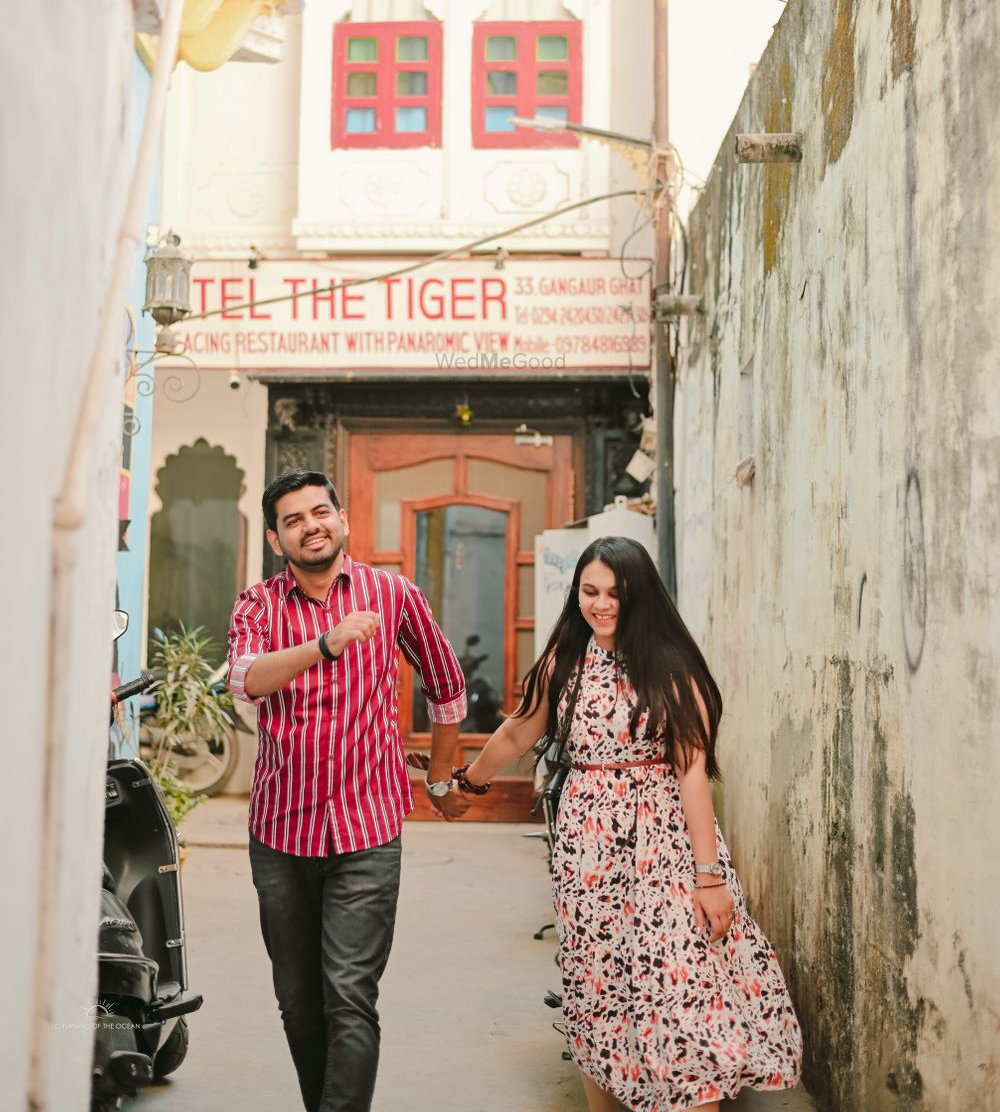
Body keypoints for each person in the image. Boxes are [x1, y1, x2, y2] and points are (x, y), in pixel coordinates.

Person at [454, 536, 803, 1112]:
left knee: (680, 982)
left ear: (639, 596)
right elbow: (519, 731)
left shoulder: (672, 667)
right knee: (599, 981)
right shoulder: (563, 659)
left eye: (615, 593)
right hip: (587, 848)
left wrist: (708, 875)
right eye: (589, 592)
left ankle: (694, 1096)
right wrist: (470, 781)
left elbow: (692, 773)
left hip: (663, 842)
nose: (601, 604)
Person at [227, 470, 470, 1112]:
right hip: (281, 833)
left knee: (350, 996)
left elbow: (447, 685)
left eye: (321, 512)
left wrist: (442, 780)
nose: (311, 525)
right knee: (300, 1004)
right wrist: (324, 645)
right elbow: (247, 679)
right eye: (294, 519)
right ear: (278, 540)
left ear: (344, 520)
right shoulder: (258, 606)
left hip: (367, 832)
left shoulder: (393, 594)